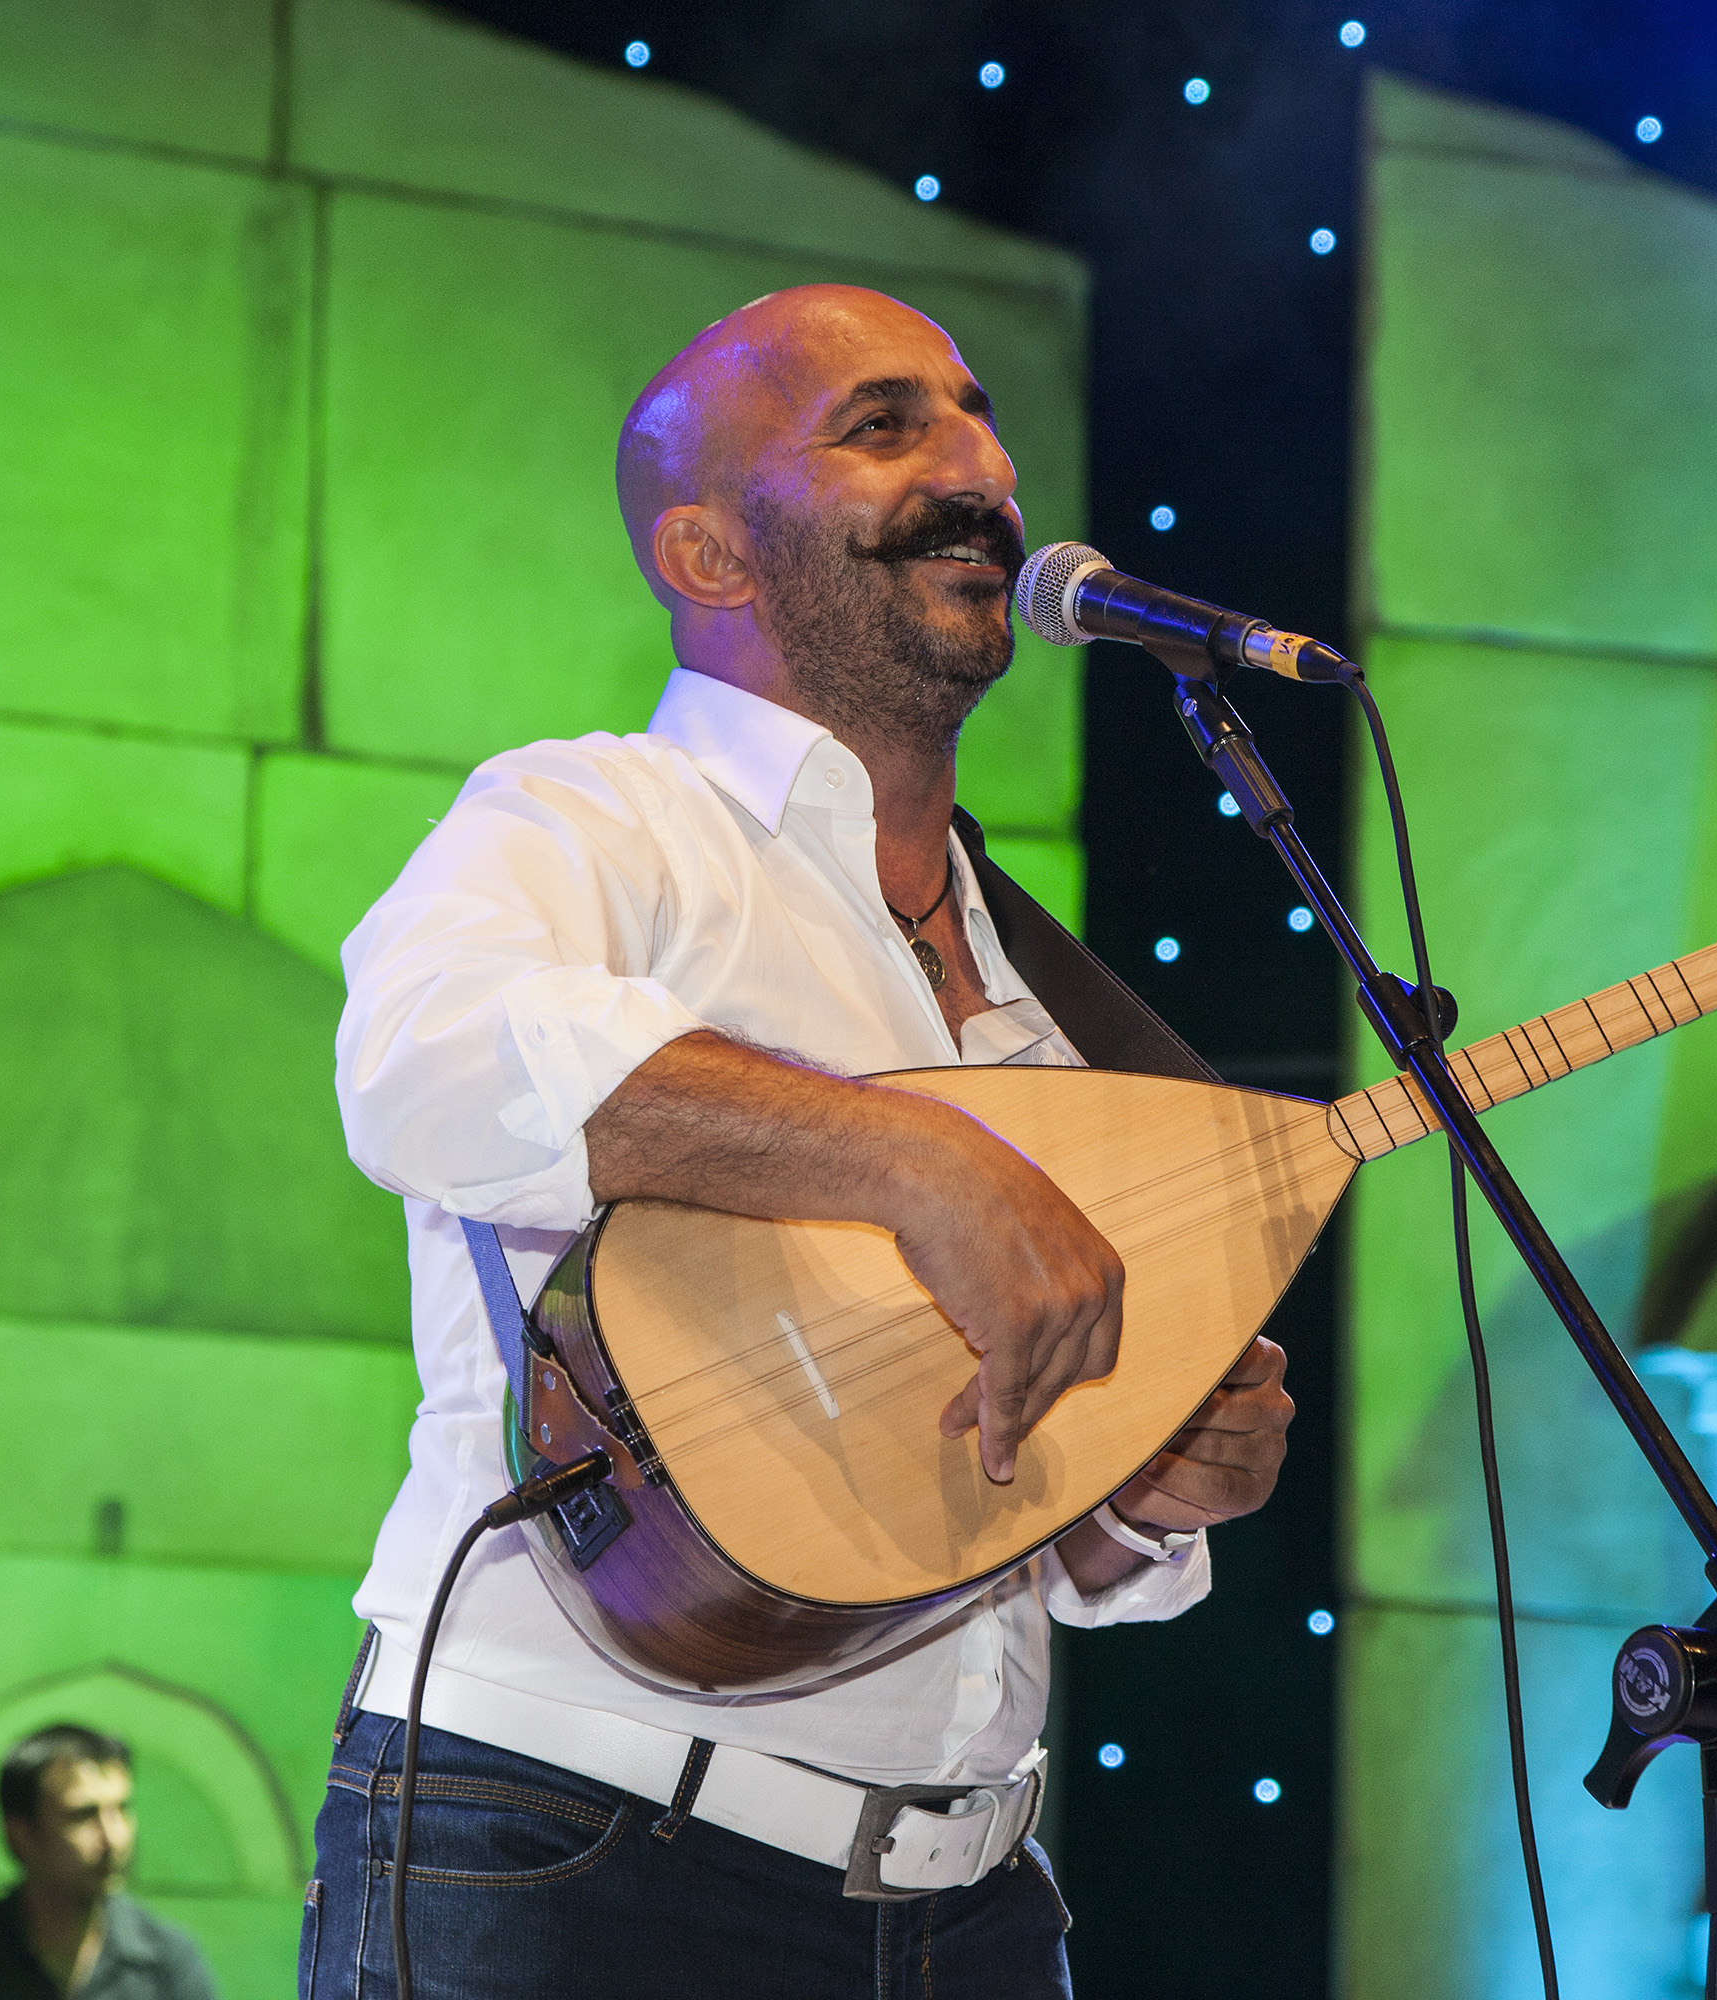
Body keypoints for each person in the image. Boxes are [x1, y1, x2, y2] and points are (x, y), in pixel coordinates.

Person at [308, 284, 1295, 1998]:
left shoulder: (1035, 1001)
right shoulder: (591, 817)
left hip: (971, 1906)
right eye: (883, 425)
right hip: (567, 1848)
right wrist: (915, 1161)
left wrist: (1148, 1490)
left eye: (979, 416)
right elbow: (423, 1061)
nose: (978, 471)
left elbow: (1023, 1517)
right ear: (707, 554)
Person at [0, 1724, 216, 2000]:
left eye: (122, 1809)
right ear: (21, 1835)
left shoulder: (166, 1965)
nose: (115, 1838)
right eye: (84, 1815)